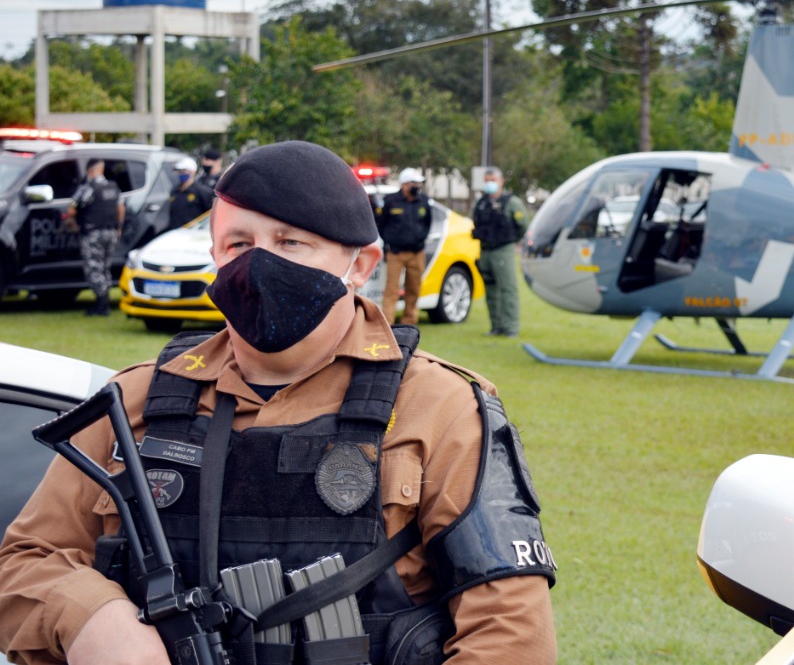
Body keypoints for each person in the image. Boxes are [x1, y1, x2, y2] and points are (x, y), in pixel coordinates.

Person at [0, 142, 557, 665]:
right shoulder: (136, 402)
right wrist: (92, 617)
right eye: (239, 244)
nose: (259, 264)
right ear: (216, 254)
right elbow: (25, 563)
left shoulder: (441, 407)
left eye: (291, 242)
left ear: (360, 265)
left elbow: (508, 629)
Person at [471, 167, 528, 337]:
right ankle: (496, 326)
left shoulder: (511, 202)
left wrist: (512, 241)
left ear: (501, 181)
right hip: (485, 250)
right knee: (491, 290)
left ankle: (510, 327)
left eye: (493, 180)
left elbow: (523, 225)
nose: (489, 183)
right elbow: (475, 222)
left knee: (508, 289)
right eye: (487, 180)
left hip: (503, 250)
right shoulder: (480, 203)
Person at [66, 158, 124, 317]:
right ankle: (105, 301)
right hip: (111, 232)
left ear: (90, 170)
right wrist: (119, 228)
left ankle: (102, 304)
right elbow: (121, 208)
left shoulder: (88, 188)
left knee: (93, 268)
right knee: (105, 267)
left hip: (93, 233)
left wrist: (71, 222)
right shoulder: (113, 187)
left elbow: (72, 209)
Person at [375, 167, 433, 324]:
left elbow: (428, 223)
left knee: (414, 289)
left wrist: (420, 239)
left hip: (416, 252)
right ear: (404, 184)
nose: (417, 186)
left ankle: (409, 322)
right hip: (396, 252)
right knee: (391, 290)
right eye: (414, 183)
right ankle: (388, 323)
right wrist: (390, 241)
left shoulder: (423, 201)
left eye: (418, 183)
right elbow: (381, 224)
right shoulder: (391, 201)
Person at [166, 156, 213, 230]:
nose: (181, 173)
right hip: (175, 231)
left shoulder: (202, 191)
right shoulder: (175, 190)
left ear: (193, 172)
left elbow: (210, 214)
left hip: (192, 233)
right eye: (180, 171)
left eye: (184, 171)